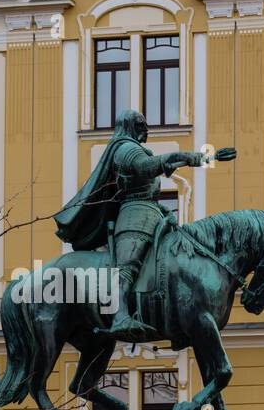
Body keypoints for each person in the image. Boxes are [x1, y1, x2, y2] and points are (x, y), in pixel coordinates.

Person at [54, 109, 236, 341]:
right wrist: (190, 157)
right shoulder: (124, 149)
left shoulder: (135, 149)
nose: (146, 128)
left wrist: (206, 158)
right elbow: (148, 166)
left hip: (153, 213)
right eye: (141, 124)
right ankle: (120, 316)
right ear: (129, 126)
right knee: (128, 266)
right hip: (134, 216)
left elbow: (168, 162)